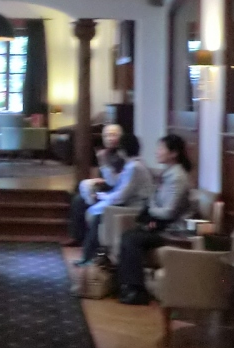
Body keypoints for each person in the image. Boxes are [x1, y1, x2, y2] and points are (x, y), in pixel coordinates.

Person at [116, 134, 194, 305]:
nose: (157, 152)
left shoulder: (178, 178)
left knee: (132, 239)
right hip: (163, 226)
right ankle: (128, 285)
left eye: (161, 148)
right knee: (129, 235)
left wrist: (151, 206)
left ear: (173, 153)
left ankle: (136, 289)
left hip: (174, 231)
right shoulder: (168, 174)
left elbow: (168, 212)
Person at [76, 133, 154, 266]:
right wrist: (104, 164)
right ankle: (90, 255)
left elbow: (122, 195)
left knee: (98, 215)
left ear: (123, 150)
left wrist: (102, 196)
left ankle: (88, 256)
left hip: (135, 207)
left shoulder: (135, 167)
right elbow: (116, 184)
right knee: (91, 208)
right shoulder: (133, 165)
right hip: (129, 203)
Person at [64, 123, 125, 248]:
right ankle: (77, 236)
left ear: (121, 137)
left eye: (113, 135)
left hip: (116, 193)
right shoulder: (104, 153)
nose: (109, 138)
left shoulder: (123, 155)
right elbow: (103, 176)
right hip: (105, 188)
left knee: (79, 200)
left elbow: (118, 180)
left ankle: (81, 238)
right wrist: (95, 182)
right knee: (76, 193)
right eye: (106, 135)